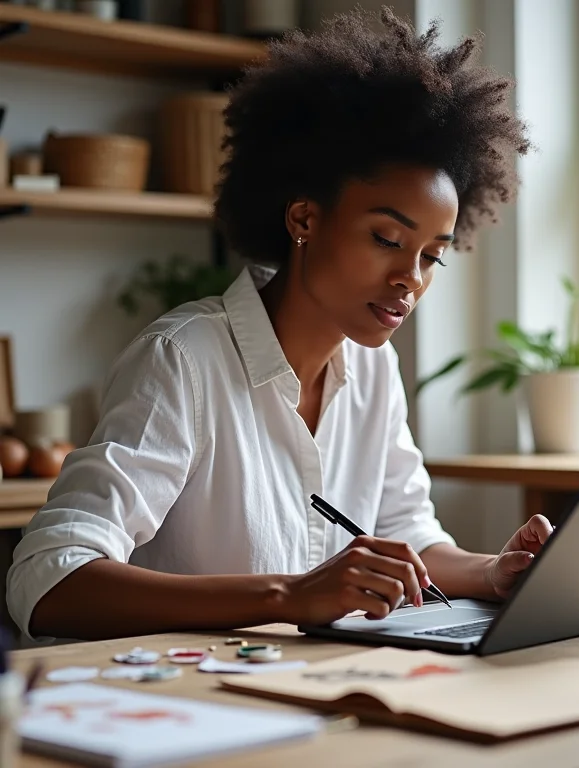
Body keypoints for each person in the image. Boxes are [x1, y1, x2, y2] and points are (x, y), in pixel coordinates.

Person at [6, 8, 550, 642]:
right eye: (386, 239)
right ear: (304, 219)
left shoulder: (372, 369)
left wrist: (497, 572)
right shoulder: (185, 359)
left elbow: (410, 541)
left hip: (311, 694)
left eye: (431, 256)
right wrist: (291, 593)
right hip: (183, 707)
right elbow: (48, 580)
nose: (412, 278)